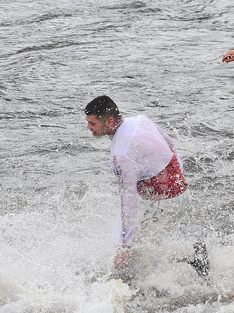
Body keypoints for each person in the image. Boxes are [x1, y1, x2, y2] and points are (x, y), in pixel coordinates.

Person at [84, 95, 199, 273]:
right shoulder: (140, 120)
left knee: (136, 258)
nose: (89, 128)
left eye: (93, 123)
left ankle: (194, 253)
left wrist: (125, 246)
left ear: (110, 120)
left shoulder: (120, 155)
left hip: (166, 204)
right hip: (180, 194)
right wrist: (180, 177)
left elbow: (128, 199)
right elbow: (171, 144)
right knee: (140, 253)